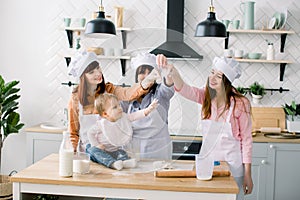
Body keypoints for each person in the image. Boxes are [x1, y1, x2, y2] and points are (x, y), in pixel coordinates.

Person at [156, 54, 253, 200]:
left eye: (218, 76)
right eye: (212, 72)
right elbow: (184, 89)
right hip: (208, 167)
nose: (212, 78)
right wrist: (173, 71)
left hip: (233, 168)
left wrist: (247, 174)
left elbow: (246, 140)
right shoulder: (206, 97)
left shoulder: (240, 103)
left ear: (227, 81)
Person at [67, 51, 160, 153]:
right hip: (87, 153)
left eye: (98, 68)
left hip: (111, 151)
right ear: (83, 77)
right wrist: (72, 152)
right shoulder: (76, 99)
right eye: (91, 72)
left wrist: (148, 80)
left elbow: (128, 93)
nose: (98, 73)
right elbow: (73, 133)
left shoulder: (108, 89)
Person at [121, 52, 175, 160]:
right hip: (133, 150)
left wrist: (166, 70)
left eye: (150, 72)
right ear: (136, 76)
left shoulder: (160, 94)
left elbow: (168, 86)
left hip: (158, 150)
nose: (146, 76)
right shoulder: (128, 97)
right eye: (142, 72)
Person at [87, 93, 158, 170]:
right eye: (115, 107)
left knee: (122, 153)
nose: (120, 108)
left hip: (114, 151)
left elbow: (135, 115)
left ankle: (125, 162)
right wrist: (96, 145)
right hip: (102, 150)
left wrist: (148, 110)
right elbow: (90, 133)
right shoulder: (101, 124)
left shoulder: (123, 118)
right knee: (93, 151)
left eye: (119, 105)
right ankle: (112, 163)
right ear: (105, 114)